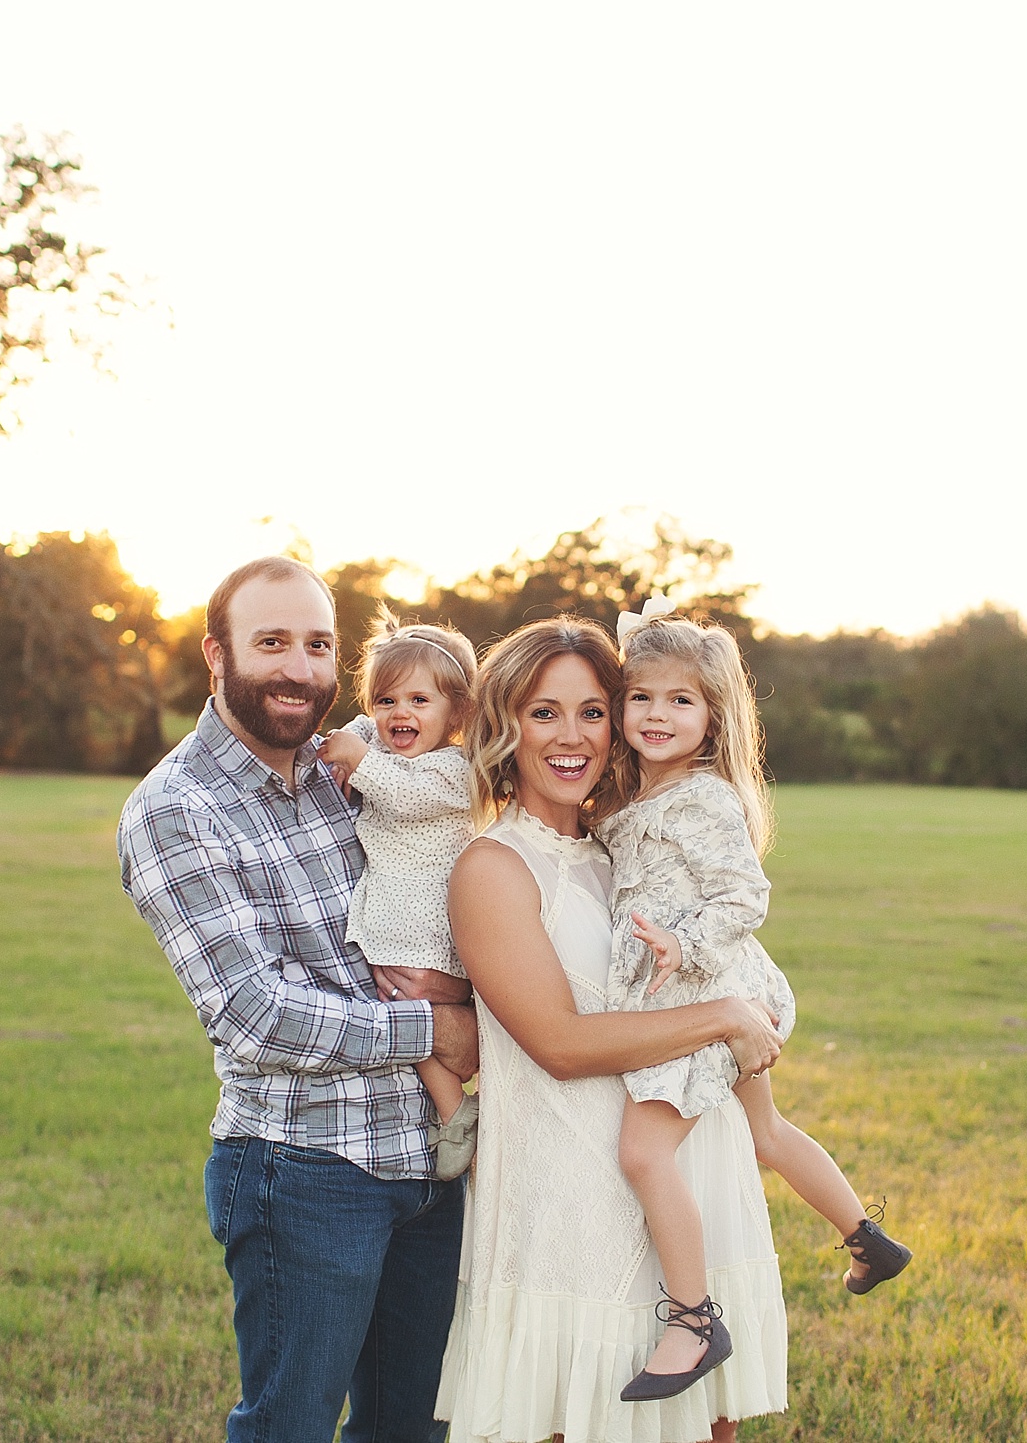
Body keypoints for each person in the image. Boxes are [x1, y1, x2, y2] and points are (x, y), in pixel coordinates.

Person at [119, 557, 480, 1443]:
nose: (298, 669)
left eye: (318, 645)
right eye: (271, 643)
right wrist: (435, 1028)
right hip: (305, 1170)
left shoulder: (350, 761)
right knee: (290, 1425)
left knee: (414, 1429)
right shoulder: (176, 809)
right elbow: (254, 1011)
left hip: (432, 1164)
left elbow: (456, 710)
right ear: (218, 655)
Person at [435, 618, 788, 1443]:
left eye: (592, 711)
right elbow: (557, 1045)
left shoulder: (625, 848)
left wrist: (748, 1010)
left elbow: (724, 956)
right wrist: (727, 1020)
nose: (571, 737)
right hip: (567, 1206)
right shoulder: (493, 867)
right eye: (544, 712)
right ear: (505, 724)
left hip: (676, 1183)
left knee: (706, 1429)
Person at [602, 603, 912, 1403]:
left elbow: (745, 895)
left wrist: (684, 944)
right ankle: (866, 1238)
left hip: (702, 995)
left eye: (680, 701)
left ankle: (694, 1320)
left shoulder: (702, 799)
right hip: (723, 989)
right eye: (642, 697)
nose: (658, 714)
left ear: (711, 719)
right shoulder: (640, 792)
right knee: (765, 1130)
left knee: (643, 1151)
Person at [317, 611, 484, 1179]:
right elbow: (361, 732)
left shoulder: (454, 771)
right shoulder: (385, 747)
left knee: (408, 1012)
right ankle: (455, 1109)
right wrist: (357, 736)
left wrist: (358, 756)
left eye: (419, 700)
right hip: (394, 923)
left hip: (430, 928)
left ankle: (455, 1109)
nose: (399, 714)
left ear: (457, 713)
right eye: (386, 700)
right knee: (405, 1015)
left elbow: (404, 794)